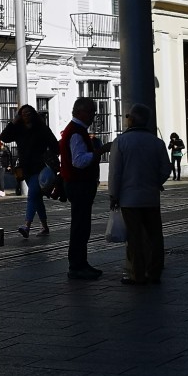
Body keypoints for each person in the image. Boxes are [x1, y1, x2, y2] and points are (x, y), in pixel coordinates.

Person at [108, 104, 172, 284]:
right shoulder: (156, 142)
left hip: (129, 199)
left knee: (134, 238)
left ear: (132, 119)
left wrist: (114, 195)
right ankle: (154, 272)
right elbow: (166, 169)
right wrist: (156, 182)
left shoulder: (120, 142)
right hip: (151, 197)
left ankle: (137, 274)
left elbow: (115, 173)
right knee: (155, 236)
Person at [59, 98, 110, 280]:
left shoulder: (75, 130)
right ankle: (77, 265)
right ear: (79, 112)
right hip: (78, 184)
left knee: (81, 225)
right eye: (91, 112)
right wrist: (99, 151)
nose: (93, 115)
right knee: (80, 226)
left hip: (78, 184)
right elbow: (79, 161)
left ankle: (80, 262)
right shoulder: (76, 132)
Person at [0, 104, 59, 238]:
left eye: (29, 113)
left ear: (33, 114)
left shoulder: (42, 129)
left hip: (40, 168)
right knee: (37, 198)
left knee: (32, 194)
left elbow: (55, 146)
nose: (26, 115)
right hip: (26, 169)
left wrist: (48, 155)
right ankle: (44, 227)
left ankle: (27, 226)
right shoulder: (19, 129)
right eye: (23, 113)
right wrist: (13, 123)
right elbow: (4, 137)